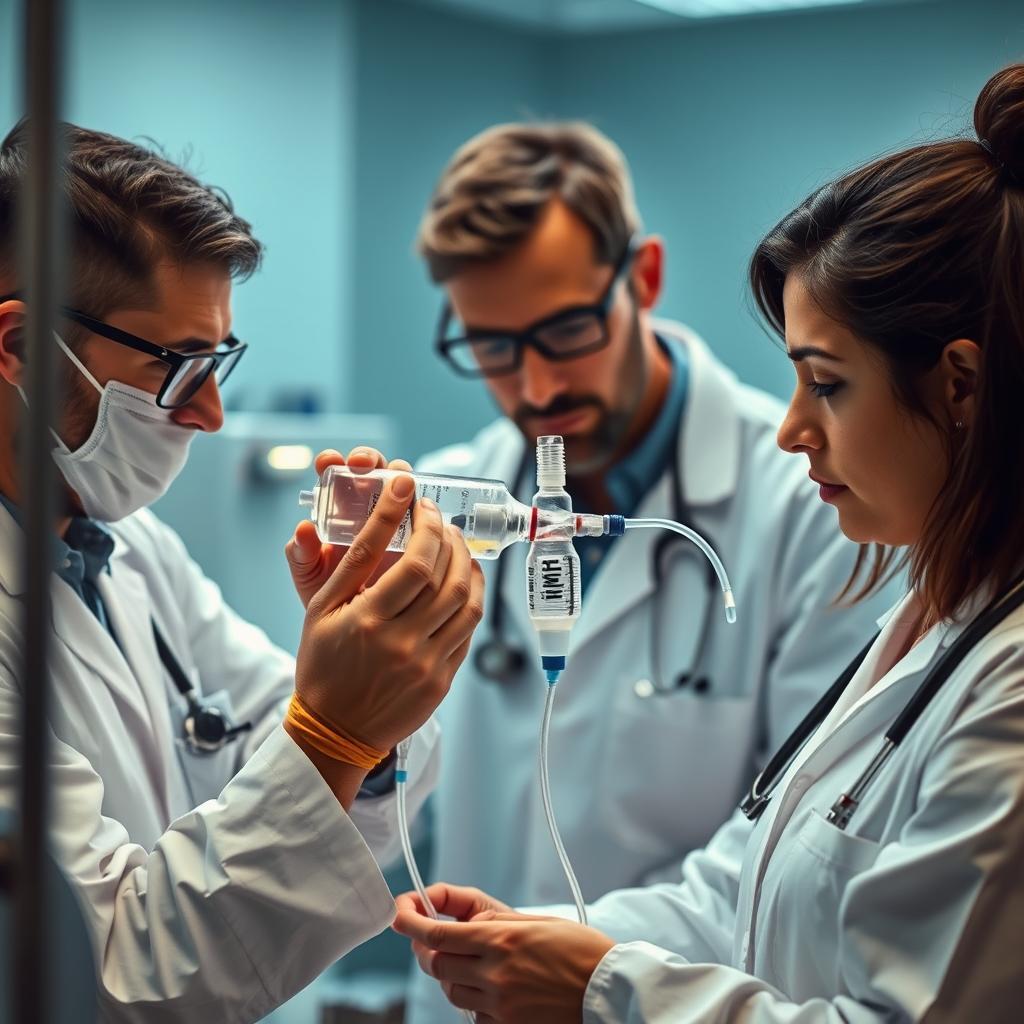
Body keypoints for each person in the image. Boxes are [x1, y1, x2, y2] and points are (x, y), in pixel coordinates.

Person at [395, 64, 1024, 1022]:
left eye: (828, 382)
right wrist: (529, 950)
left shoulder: (826, 519)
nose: (532, 386)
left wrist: (600, 985)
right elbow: (752, 868)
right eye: (492, 346)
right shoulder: (934, 608)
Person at [0, 121, 484, 1022]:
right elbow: (108, 975)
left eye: (216, 362)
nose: (213, 414)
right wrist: (335, 731)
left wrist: (361, 709)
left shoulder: (131, 551)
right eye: (180, 368)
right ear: (22, 350)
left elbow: (294, 741)